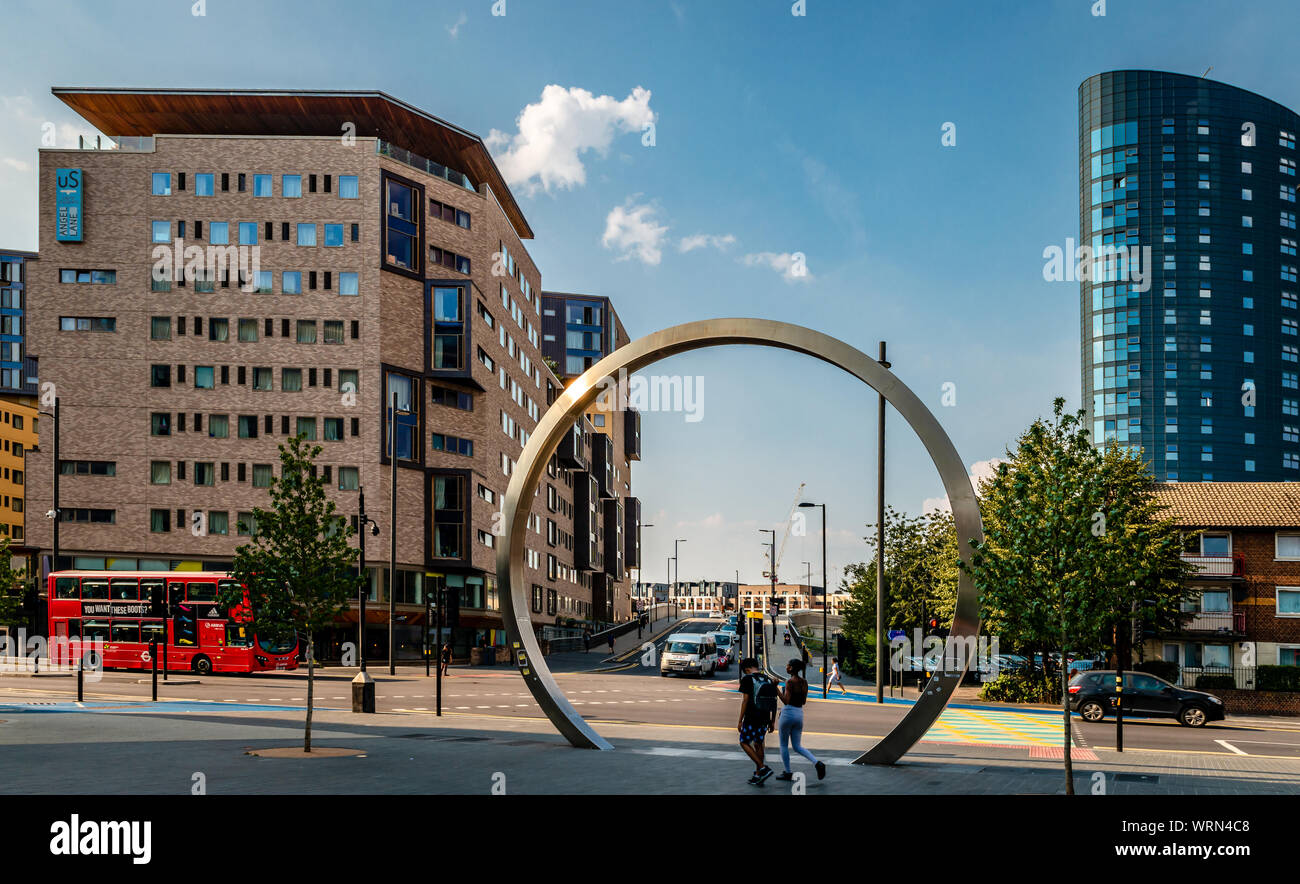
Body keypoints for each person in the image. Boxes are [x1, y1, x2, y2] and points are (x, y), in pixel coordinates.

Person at [776, 658, 826, 782]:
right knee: (797, 746)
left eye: (787, 665)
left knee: (783, 744)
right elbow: (803, 701)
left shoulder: (789, 682)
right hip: (799, 713)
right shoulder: (804, 682)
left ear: (792, 668)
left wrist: (775, 688)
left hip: (788, 713)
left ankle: (788, 772)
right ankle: (817, 763)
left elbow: (786, 701)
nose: (786, 667)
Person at [737, 657, 777, 785]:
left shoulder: (747, 679)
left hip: (751, 717)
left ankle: (762, 768)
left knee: (744, 742)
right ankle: (759, 775)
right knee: (759, 744)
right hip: (764, 718)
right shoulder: (767, 678)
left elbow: (745, 700)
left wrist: (740, 720)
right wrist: (772, 720)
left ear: (747, 669)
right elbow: (773, 700)